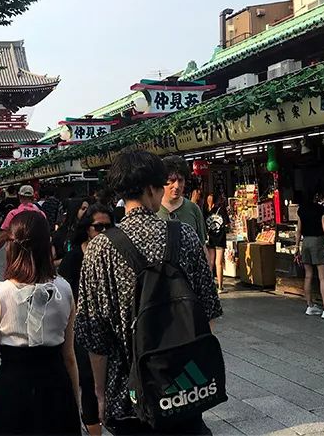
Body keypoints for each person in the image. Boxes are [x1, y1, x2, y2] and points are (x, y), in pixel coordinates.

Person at [77, 150, 222, 435]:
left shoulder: (99, 249)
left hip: (128, 394)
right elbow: (208, 309)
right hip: (182, 387)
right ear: (151, 189)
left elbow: (94, 337)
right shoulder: (184, 236)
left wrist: (100, 392)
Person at [0, 211, 81, 435]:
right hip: (56, 388)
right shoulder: (64, 289)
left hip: (12, 391)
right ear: (46, 245)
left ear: (11, 246)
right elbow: (69, 355)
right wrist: (74, 403)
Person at [58, 204, 113, 436]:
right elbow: (66, 293)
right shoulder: (74, 257)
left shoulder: (118, 253)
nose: (103, 232)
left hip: (113, 327)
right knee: (89, 383)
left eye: (108, 227)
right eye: (98, 227)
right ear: (87, 229)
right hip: (85, 328)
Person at [294, 191, 324, 319]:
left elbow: (299, 230)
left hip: (306, 242)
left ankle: (310, 305)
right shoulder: (321, 209)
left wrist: (297, 246)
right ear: (316, 196)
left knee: (308, 276)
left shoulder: (301, 210)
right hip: (318, 241)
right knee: (323, 277)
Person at [0, 185, 43, 263]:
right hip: (37, 256)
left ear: (19, 196)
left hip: (17, 256)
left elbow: (3, 237)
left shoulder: (13, 214)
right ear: (33, 197)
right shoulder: (41, 214)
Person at [158, 155, 206, 245]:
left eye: (180, 180)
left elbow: (202, 246)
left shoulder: (193, 209)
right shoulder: (151, 209)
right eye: (171, 180)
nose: (176, 186)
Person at [205, 192, 229, 293]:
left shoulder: (206, 212)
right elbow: (227, 224)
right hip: (220, 238)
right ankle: (220, 287)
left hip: (210, 239)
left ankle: (210, 286)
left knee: (210, 263)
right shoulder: (221, 210)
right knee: (218, 263)